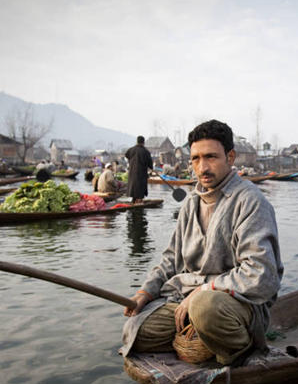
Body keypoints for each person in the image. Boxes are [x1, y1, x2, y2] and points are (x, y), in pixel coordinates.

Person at [121, 120, 284, 366]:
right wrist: (147, 291)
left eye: (211, 157)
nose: (202, 167)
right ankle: (202, 337)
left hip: (233, 306)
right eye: (195, 159)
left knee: (204, 309)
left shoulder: (250, 201)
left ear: (230, 157)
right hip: (185, 296)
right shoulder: (191, 203)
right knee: (136, 331)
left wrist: (205, 291)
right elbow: (170, 259)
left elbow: (261, 274)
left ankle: (237, 348)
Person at [125, 136, 153, 204]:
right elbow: (150, 163)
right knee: (140, 188)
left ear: (137, 141)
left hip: (132, 173)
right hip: (141, 174)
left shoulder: (131, 150)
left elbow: (126, 155)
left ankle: (133, 200)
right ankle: (139, 201)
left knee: (133, 187)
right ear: (143, 142)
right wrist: (151, 167)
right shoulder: (145, 152)